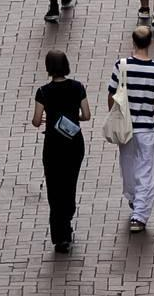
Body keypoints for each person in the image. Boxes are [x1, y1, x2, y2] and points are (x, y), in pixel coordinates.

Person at [108, 25, 154, 233]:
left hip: (125, 126)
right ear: (150, 42)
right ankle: (140, 215)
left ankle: (135, 200)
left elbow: (112, 94)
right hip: (147, 128)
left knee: (128, 167)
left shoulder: (121, 66)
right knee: (147, 171)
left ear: (133, 42)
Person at [31, 50, 91, 252]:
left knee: (54, 188)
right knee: (69, 183)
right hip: (74, 143)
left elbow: (36, 121)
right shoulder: (77, 87)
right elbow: (87, 115)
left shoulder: (43, 91)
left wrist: (50, 118)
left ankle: (60, 235)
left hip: (53, 146)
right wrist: (73, 118)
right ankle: (68, 218)